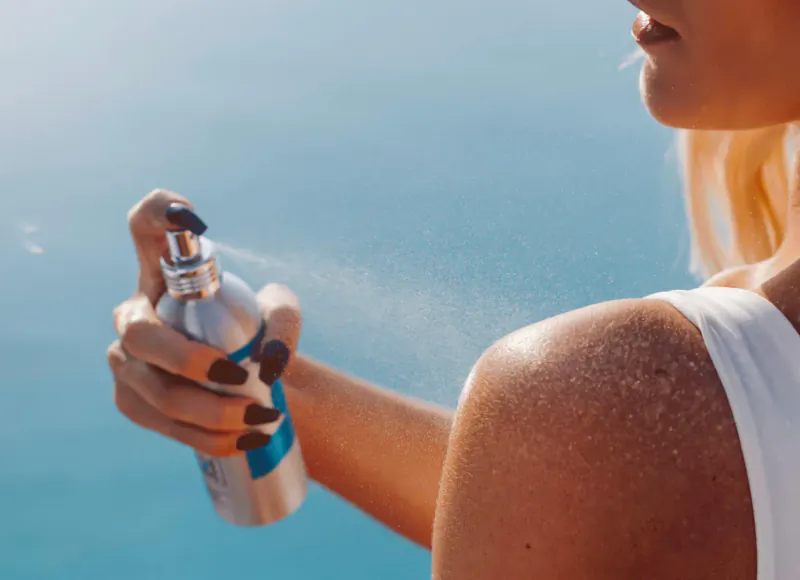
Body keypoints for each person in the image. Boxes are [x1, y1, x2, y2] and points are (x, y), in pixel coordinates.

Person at [106, 2, 800, 578]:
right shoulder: (629, 415)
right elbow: (607, 498)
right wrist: (276, 389)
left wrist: (540, 420)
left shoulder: (588, 399)